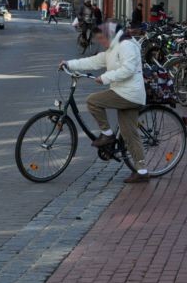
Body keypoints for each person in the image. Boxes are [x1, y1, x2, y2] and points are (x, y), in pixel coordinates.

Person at [60, 22, 149, 184]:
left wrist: (106, 78)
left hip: (129, 93)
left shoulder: (127, 45)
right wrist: (69, 64)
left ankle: (107, 134)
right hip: (123, 92)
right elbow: (94, 61)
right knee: (130, 135)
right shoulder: (112, 49)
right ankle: (142, 171)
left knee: (93, 101)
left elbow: (128, 69)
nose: (101, 42)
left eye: (102, 38)